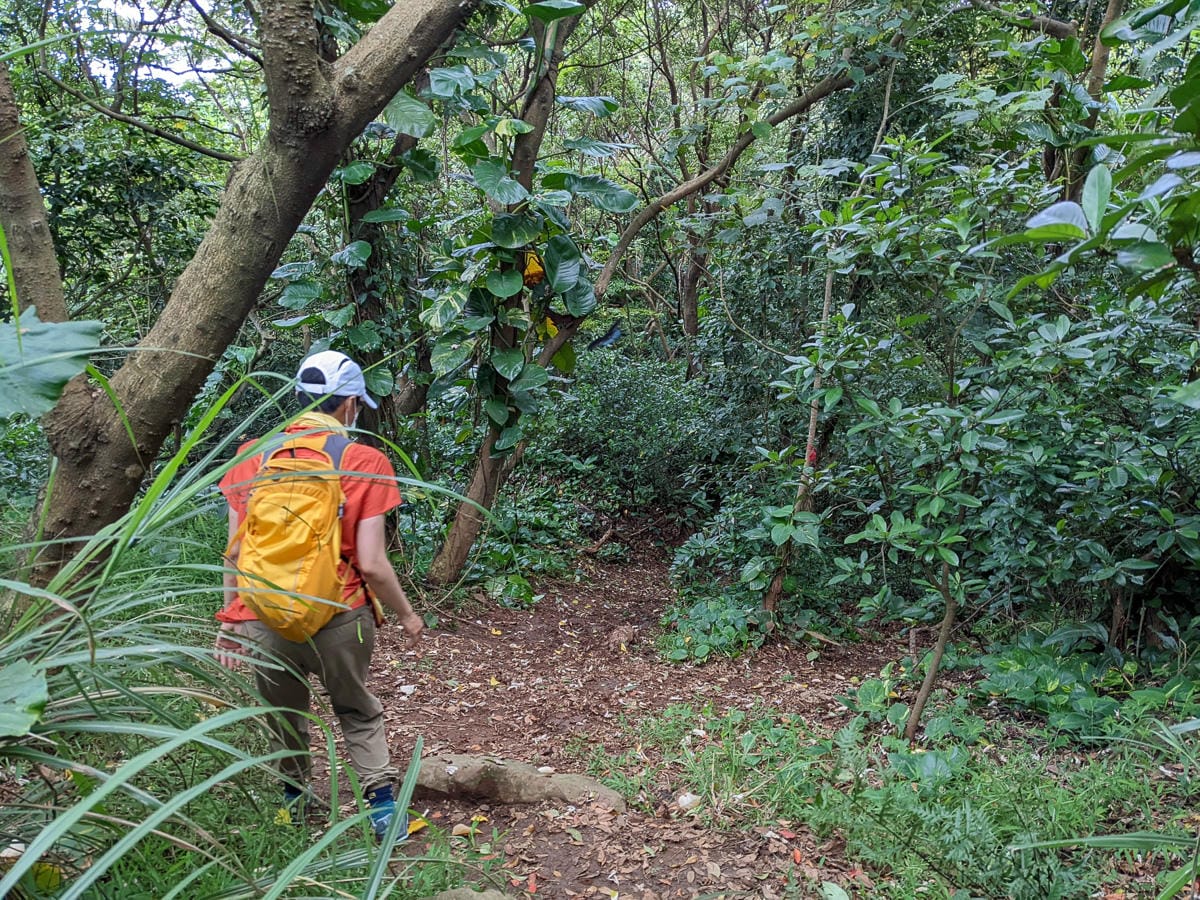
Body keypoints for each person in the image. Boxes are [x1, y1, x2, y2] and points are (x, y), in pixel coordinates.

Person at [213, 349, 424, 839]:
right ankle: (383, 811)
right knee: (356, 708)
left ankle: (293, 806)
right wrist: (408, 614)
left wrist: (230, 620)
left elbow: (234, 554)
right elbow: (372, 563)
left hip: (262, 615)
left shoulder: (252, 456)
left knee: (284, 713)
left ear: (299, 397)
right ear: (349, 404)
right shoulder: (365, 461)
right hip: (340, 614)